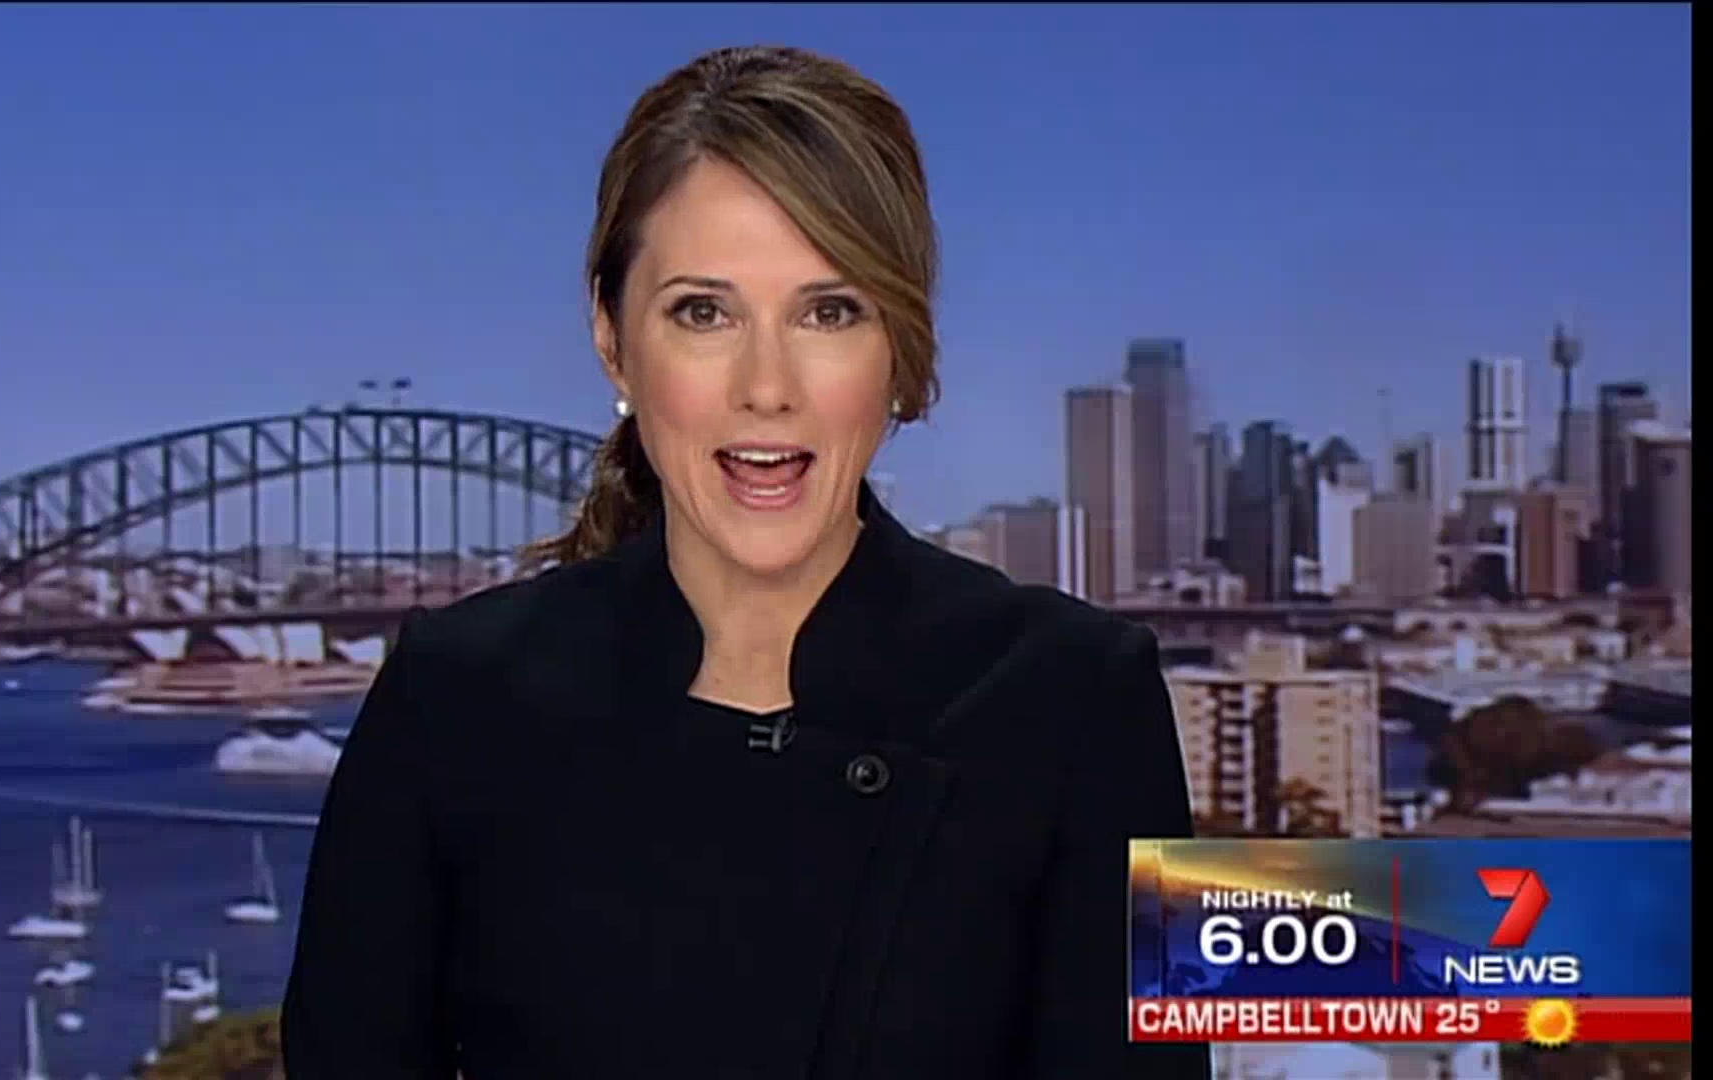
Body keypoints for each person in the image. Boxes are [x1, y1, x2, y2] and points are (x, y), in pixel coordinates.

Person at [282, 44, 1206, 1079]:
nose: (767, 387)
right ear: (612, 340)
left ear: (899, 352)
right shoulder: (447, 699)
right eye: (704, 312)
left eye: (829, 311)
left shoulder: (1090, 694)